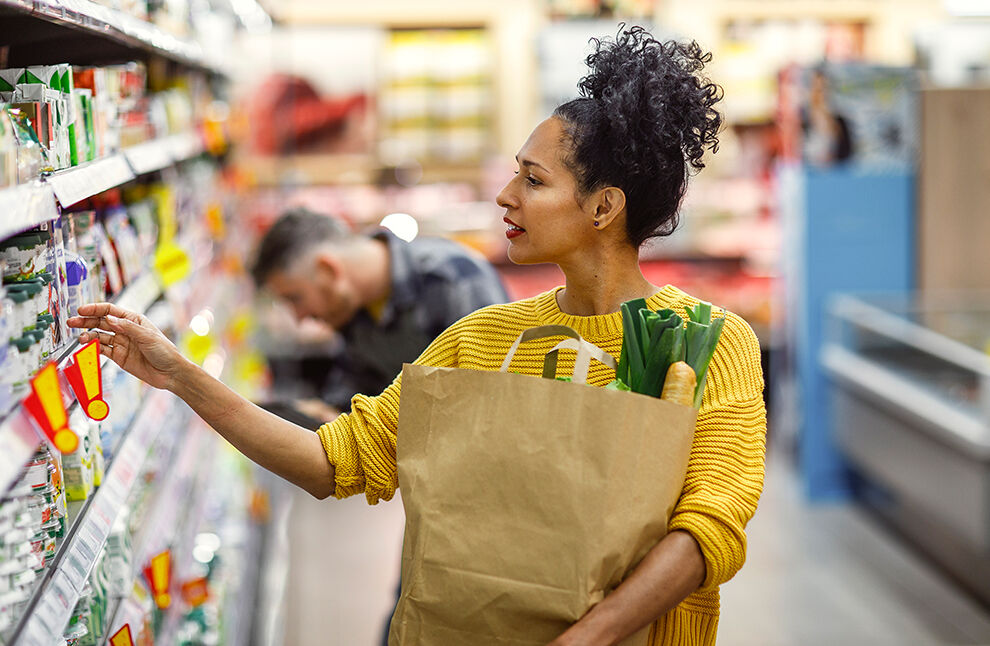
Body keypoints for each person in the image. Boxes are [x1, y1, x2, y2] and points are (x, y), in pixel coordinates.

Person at [70, 26, 766, 646]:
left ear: (603, 207)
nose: (505, 196)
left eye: (532, 179)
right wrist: (179, 374)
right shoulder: (481, 340)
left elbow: (709, 529)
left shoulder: (707, 343)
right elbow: (331, 462)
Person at [250, 208, 510, 422]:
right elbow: (358, 387)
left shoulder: (452, 278)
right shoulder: (351, 310)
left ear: (328, 270)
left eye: (295, 298)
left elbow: (495, 404)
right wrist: (330, 415)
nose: (299, 317)